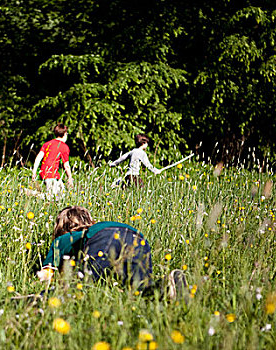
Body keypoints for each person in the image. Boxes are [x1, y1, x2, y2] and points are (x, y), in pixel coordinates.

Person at [37, 206, 188, 300]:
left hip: (104, 238)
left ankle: (35, 301)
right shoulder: (93, 230)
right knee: (139, 290)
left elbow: (46, 274)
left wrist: (49, 284)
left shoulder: (63, 239)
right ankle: (166, 285)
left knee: (77, 289)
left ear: (63, 228)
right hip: (138, 239)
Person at [31, 124, 73, 199]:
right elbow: (66, 165)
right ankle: (31, 193)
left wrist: (34, 171)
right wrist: (69, 177)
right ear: (65, 134)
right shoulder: (64, 147)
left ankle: (34, 194)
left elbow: (38, 158)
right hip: (51, 173)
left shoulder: (47, 144)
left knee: (62, 194)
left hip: (44, 172)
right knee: (54, 197)